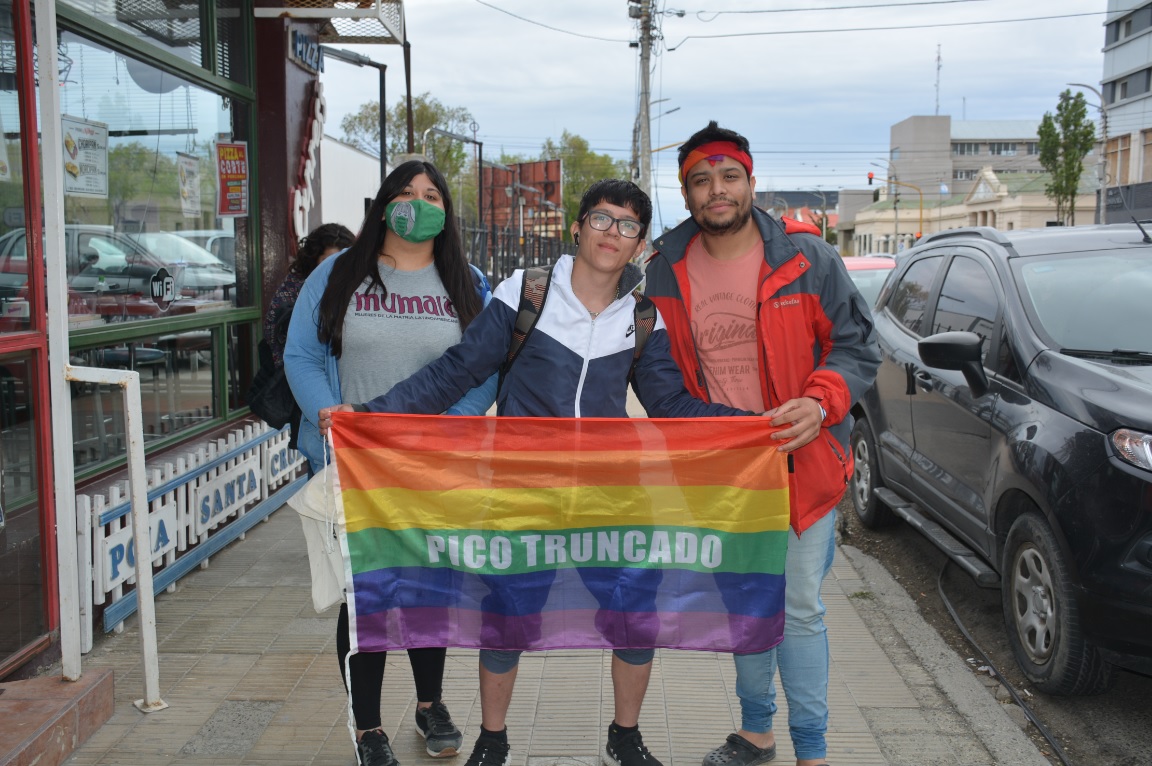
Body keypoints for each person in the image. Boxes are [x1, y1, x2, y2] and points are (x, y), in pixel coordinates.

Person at [318, 179, 761, 766]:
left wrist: (755, 427)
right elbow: (456, 371)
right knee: (507, 619)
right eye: (601, 219)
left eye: (628, 226)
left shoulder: (642, 317)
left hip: (609, 496)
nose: (612, 234)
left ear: (639, 246)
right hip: (521, 492)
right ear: (577, 228)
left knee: (636, 615)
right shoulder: (526, 293)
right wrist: (369, 415)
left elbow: (672, 406)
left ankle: (624, 737)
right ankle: (493, 740)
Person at [644, 122, 881, 766]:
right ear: (686, 192)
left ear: (751, 182)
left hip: (803, 462)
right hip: (724, 471)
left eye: (729, 177)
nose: (716, 191)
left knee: (799, 608)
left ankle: (813, 750)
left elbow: (858, 345)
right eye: (701, 180)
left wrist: (821, 399)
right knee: (748, 603)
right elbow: (656, 373)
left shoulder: (809, 259)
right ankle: (756, 732)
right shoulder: (663, 272)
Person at [284, 160, 496, 766]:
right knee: (367, 596)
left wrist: (443, 433)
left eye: (431, 195)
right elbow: (300, 355)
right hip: (353, 463)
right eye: (405, 193)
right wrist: (332, 419)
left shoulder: (467, 282)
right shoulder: (337, 273)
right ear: (383, 203)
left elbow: (485, 370)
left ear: (446, 213)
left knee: (428, 590)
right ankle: (368, 727)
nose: (417, 203)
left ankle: (430, 704)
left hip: (431, 465)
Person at [260, 223, 354, 447]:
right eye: (328, 261)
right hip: (310, 399)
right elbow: (285, 346)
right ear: (314, 261)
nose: (335, 268)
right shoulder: (299, 292)